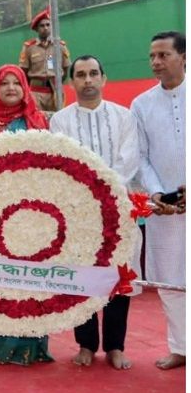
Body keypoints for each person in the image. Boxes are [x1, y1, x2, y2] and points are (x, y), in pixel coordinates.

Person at [50, 56, 142, 370]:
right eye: (80, 75)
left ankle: (115, 346)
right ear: (72, 82)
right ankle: (86, 345)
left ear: (104, 78)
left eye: (93, 74)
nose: (87, 80)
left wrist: (105, 193)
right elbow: (64, 162)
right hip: (78, 212)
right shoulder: (60, 121)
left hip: (118, 209)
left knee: (118, 276)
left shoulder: (124, 117)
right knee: (82, 278)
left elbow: (128, 161)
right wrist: (88, 197)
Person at [0, 65, 54, 366]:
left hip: (36, 212)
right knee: (3, 279)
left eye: (15, 83)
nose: (10, 88)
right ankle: (1, 344)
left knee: (34, 279)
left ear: (24, 88)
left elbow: (50, 163)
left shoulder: (38, 119)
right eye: (3, 83)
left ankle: (35, 345)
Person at [131, 31, 186, 371]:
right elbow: (140, 157)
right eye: (152, 56)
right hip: (164, 208)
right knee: (170, 279)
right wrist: (157, 195)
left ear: (183, 56)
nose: (155, 62)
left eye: (163, 55)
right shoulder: (141, 104)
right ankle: (181, 348)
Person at [18, 6, 70, 113]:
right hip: (36, 92)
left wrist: (57, 82)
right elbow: (23, 71)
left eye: (48, 25)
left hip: (55, 92)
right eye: (42, 26)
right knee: (36, 120)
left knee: (57, 119)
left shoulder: (59, 46)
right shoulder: (29, 47)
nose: (45, 28)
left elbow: (66, 68)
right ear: (37, 29)